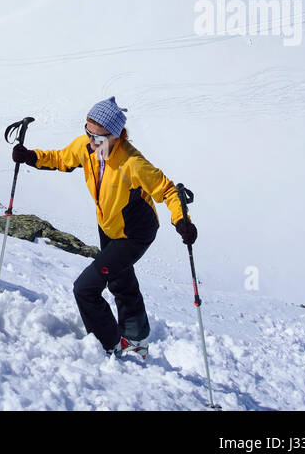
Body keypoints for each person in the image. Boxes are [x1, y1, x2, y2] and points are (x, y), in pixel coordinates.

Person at [12, 96, 197, 359]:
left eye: (98, 137)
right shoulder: (85, 148)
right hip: (108, 225)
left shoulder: (132, 162)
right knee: (120, 280)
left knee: (85, 288)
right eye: (88, 133)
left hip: (134, 232)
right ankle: (137, 338)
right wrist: (31, 157)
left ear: (116, 136)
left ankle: (107, 345)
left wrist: (182, 221)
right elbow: (60, 158)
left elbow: (167, 190)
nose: (91, 141)